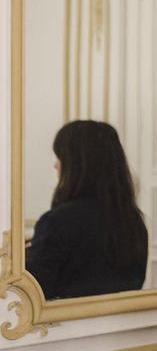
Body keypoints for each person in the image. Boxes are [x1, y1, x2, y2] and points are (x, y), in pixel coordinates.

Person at [27, 120, 148, 300]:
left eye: (60, 156)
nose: (56, 165)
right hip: (116, 326)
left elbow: (32, 297)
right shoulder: (133, 222)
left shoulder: (56, 222)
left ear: (77, 163)